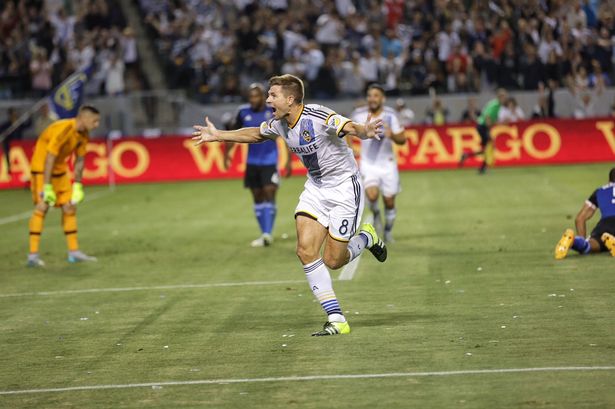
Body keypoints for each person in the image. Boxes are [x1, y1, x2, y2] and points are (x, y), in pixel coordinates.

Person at [192, 74, 387, 336]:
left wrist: (365, 130)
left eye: (273, 95)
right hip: (316, 189)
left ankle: (366, 237)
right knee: (306, 251)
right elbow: (256, 134)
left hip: (344, 189)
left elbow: (349, 126)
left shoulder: (317, 116)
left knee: (333, 260)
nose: (268, 99)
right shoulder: (280, 123)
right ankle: (337, 318)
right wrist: (218, 135)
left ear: (290, 99)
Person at [26, 105, 101, 267]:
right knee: (42, 207)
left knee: (69, 207)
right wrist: (46, 187)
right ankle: (32, 256)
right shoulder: (63, 129)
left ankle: (74, 252)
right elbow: (50, 158)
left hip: (60, 171)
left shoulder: (83, 134)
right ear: (84, 118)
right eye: (95, 121)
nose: (97, 125)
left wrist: (78, 185)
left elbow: (80, 159)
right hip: (42, 170)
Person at [223, 84, 291, 247]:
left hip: (270, 161)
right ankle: (264, 233)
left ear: (263, 96)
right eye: (251, 97)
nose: (253, 99)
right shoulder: (243, 112)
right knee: (257, 196)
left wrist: (288, 160)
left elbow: (286, 134)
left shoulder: (272, 111)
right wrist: (227, 154)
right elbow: (233, 133)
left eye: (256, 96)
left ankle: (267, 233)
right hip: (252, 162)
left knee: (269, 192)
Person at [351, 84, 406, 242]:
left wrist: (392, 135)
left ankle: (388, 231)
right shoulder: (359, 114)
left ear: (383, 98)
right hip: (368, 164)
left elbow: (403, 139)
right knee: (372, 195)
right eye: (369, 95)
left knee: (389, 201)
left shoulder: (391, 115)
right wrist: (349, 148)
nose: (372, 99)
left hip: (388, 164)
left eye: (375, 96)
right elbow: (347, 131)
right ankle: (375, 213)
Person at [555, 168, 615, 259]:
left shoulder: (599, 191)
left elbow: (580, 218)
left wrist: (582, 241)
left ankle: (576, 242)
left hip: (604, 225)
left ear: (609, 180)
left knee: (592, 245)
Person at [459, 88, 508, 174]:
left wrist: (498, 123)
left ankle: (468, 156)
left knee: (486, 148)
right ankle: (482, 168)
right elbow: (487, 117)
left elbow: (491, 118)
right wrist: (489, 129)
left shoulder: (497, 105)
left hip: (482, 126)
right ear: (500, 97)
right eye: (504, 97)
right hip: (482, 126)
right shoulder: (495, 105)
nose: (505, 99)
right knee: (489, 146)